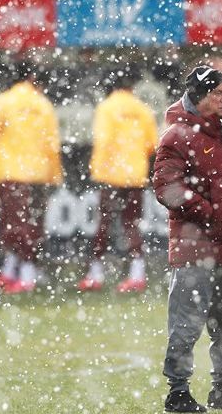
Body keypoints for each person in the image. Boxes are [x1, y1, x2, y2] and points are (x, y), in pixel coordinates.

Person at [153, 65, 222, 412]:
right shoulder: (176, 135)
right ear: (200, 96)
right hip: (194, 247)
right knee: (186, 322)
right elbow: (167, 188)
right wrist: (212, 215)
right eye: (218, 92)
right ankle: (178, 393)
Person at [0, 59, 63, 293]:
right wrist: (53, 176)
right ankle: (15, 270)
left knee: (13, 224)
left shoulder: (3, 103)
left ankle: (24, 274)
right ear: (32, 78)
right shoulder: (43, 104)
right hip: (39, 175)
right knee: (32, 225)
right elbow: (53, 144)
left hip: (10, 173)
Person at [77, 63, 159, 293]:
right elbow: (153, 144)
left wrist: (98, 170)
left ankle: (96, 274)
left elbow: (102, 141)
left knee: (103, 224)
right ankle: (137, 274)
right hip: (135, 175)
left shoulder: (106, 108)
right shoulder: (143, 109)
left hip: (111, 175)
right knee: (132, 225)